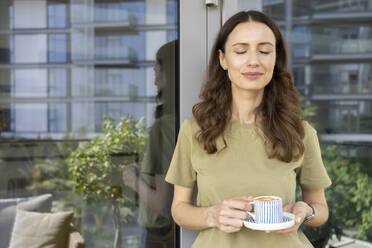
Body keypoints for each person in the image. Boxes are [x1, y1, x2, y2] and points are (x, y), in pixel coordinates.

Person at [165, 10, 331, 248]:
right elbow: (179, 209)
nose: (253, 60)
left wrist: (305, 212)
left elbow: (321, 209)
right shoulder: (194, 130)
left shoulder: (300, 131)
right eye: (241, 51)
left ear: (275, 59)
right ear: (223, 59)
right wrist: (212, 214)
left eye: (264, 51)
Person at [123, 41, 177, 248]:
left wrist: (133, 180)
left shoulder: (163, 128)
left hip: (162, 237)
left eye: (157, 72)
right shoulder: (180, 121)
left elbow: (164, 205)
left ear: (168, 75)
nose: (155, 81)